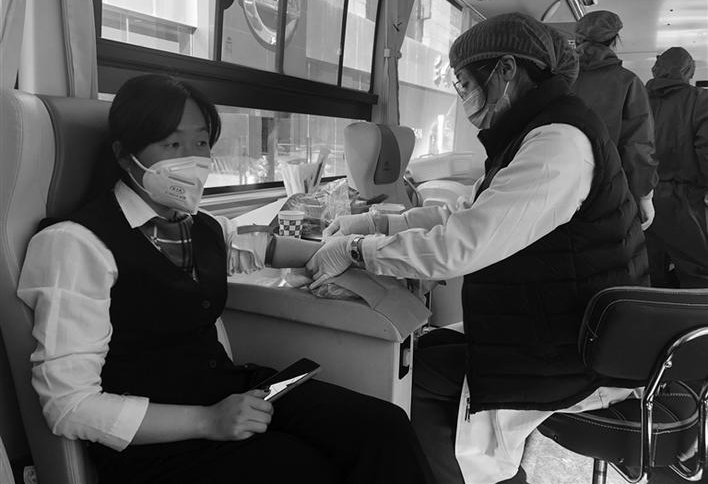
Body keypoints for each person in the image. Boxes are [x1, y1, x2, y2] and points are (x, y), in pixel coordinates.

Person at [17, 74, 434, 484]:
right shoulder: (76, 244)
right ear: (126, 156)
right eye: (172, 144)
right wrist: (207, 420)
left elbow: (263, 246)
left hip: (228, 391)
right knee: (305, 467)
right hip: (160, 440)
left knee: (383, 427)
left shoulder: (202, 225)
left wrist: (348, 251)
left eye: (201, 143)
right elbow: (69, 406)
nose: (192, 160)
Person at [306, 13, 649, 484]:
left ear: (506, 69)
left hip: (578, 349)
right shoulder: (538, 132)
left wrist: (356, 250)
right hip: (563, 322)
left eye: (465, 83)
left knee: (415, 381)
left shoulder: (558, 143)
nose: (463, 96)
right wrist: (379, 222)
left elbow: (461, 245)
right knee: (427, 348)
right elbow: (464, 213)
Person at [572, 10, 658, 231]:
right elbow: (637, 145)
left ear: (578, 39)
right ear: (614, 41)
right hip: (607, 189)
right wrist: (644, 195)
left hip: (556, 184)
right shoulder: (627, 82)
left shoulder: (559, 78)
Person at [644, 47, 708, 288]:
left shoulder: (639, 97)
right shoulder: (700, 100)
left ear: (656, 69)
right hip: (684, 200)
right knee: (698, 274)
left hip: (643, 197)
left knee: (650, 272)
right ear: (689, 71)